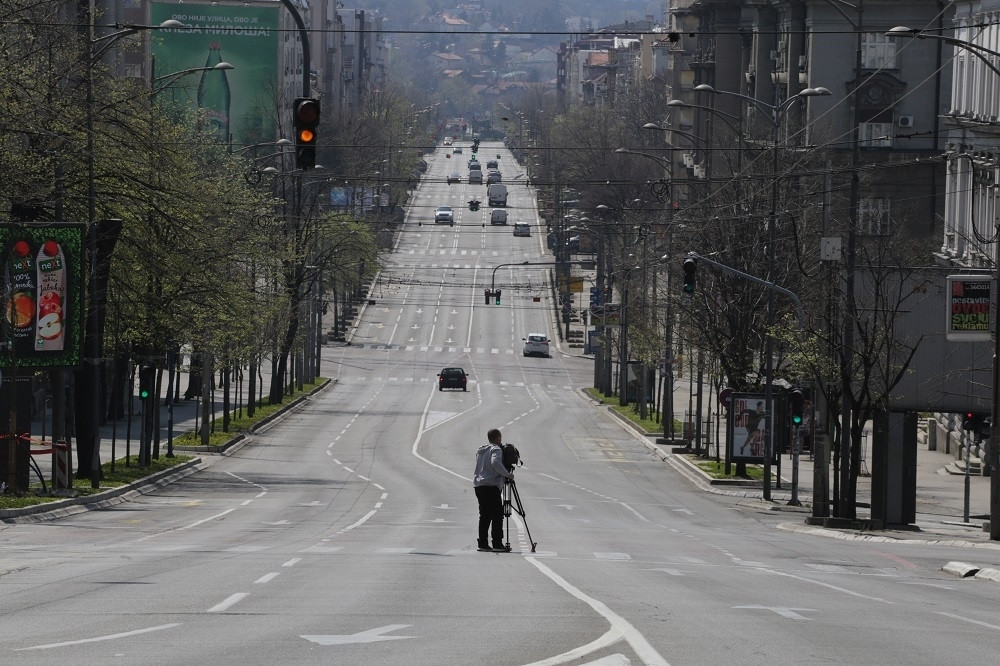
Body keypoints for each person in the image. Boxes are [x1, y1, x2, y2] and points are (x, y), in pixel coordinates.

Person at [474, 428, 515, 552]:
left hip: (479, 485)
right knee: (497, 515)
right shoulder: (496, 449)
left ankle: (483, 543)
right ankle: (497, 544)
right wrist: (508, 474)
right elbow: (495, 462)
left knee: (485, 515)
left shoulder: (481, 450)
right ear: (498, 438)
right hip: (491, 486)